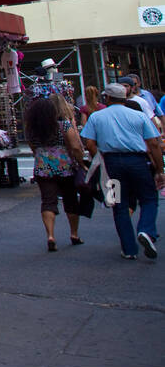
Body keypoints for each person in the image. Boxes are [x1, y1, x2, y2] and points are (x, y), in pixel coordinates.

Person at [81, 83, 164, 260]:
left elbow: (89, 143)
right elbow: (154, 143)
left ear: (108, 98)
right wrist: (159, 169)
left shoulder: (97, 117)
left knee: (119, 204)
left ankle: (129, 249)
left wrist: (100, 158)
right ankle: (146, 230)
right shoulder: (139, 115)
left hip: (111, 165)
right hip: (137, 161)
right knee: (149, 198)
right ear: (125, 98)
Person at [23, 95, 86, 251]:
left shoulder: (31, 130)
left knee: (48, 201)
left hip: (43, 167)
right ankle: (74, 234)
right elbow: (75, 147)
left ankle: (50, 235)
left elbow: (33, 148)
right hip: (65, 168)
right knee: (70, 200)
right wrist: (81, 162)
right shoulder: (63, 126)